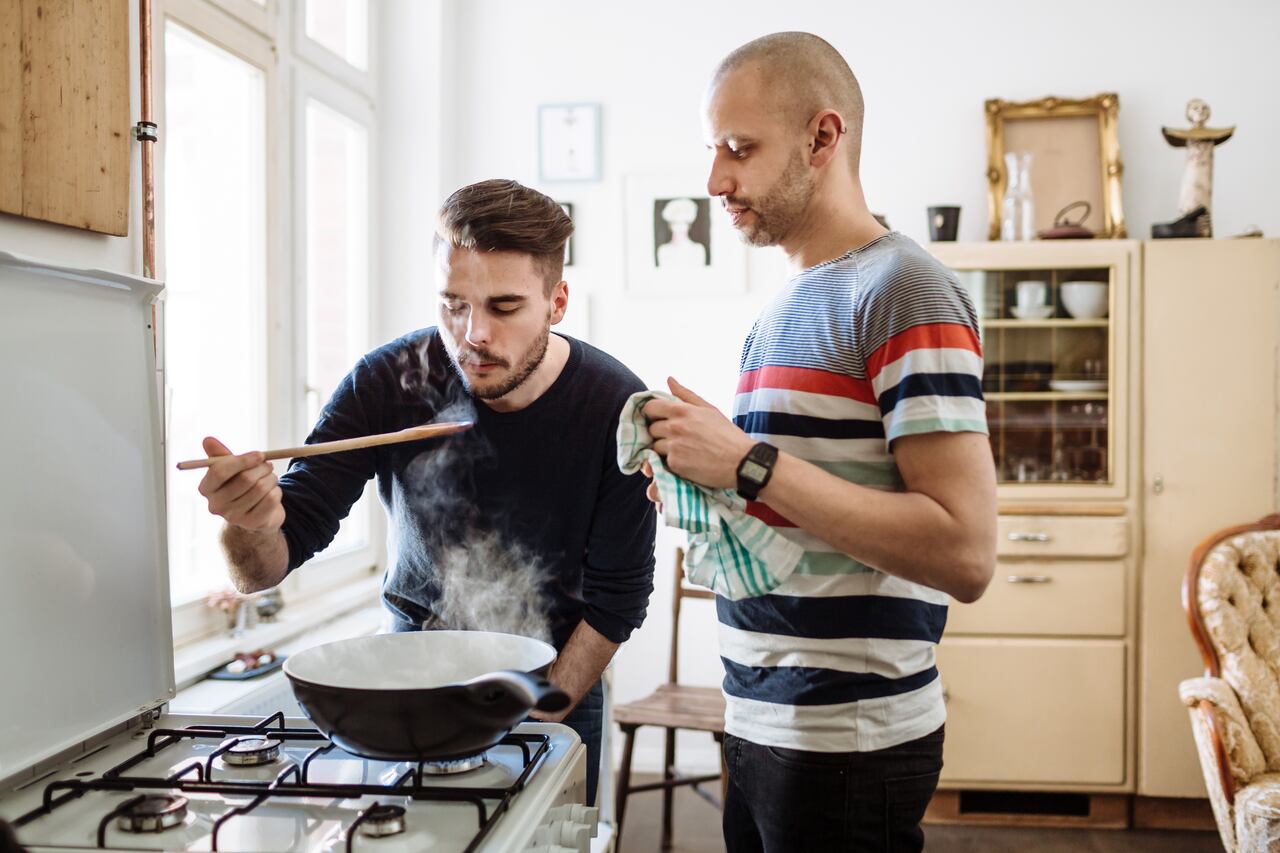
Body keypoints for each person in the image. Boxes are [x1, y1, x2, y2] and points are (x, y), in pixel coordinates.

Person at [641, 32, 997, 852]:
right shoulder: (779, 311)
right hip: (763, 720)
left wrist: (747, 462)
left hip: (851, 742)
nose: (714, 180)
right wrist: (710, 492)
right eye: (711, 150)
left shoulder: (904, 290)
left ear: (823, 138)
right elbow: (801, 510)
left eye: (739, 148)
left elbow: (966, 553)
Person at [195, 178, 656, 805]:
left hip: (554, 681)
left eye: (504, 306)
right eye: (454, 304)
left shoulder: (616, 406)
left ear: (558, 301)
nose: (473, 335)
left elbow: (617, 598)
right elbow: (264, 568)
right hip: (408, 671)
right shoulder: (385, 382)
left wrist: (541, 715)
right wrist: (246, 520)